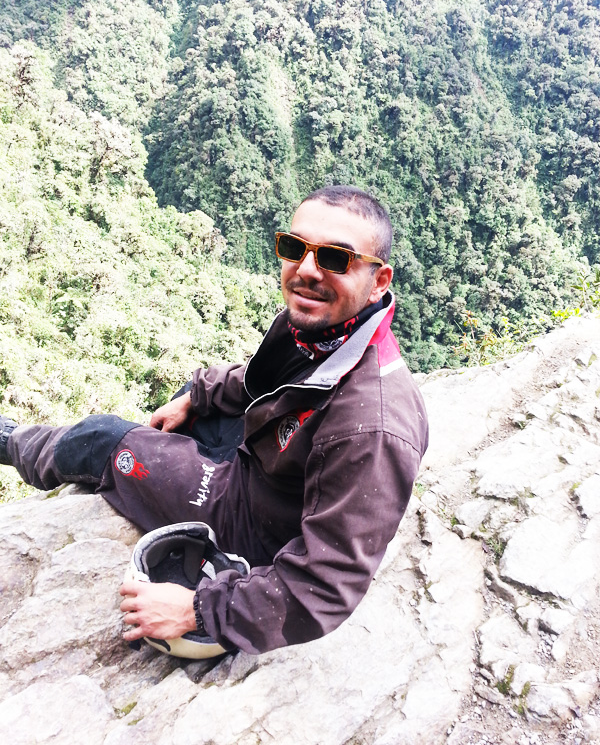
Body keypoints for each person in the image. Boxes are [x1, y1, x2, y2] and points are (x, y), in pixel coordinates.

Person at [0, 185, 428, 654]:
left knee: (101, 438)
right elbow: (267, 382)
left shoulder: (372, 426)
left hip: (255, 523)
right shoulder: (329, 331)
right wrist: (199, 395)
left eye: (335, 258)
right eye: (295, 248)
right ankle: (163, 453)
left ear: (379, 279)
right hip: (266, 462)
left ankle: (13, 442)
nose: (306, 270)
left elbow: (326, 586)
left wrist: (197, 609)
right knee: (185, 406)